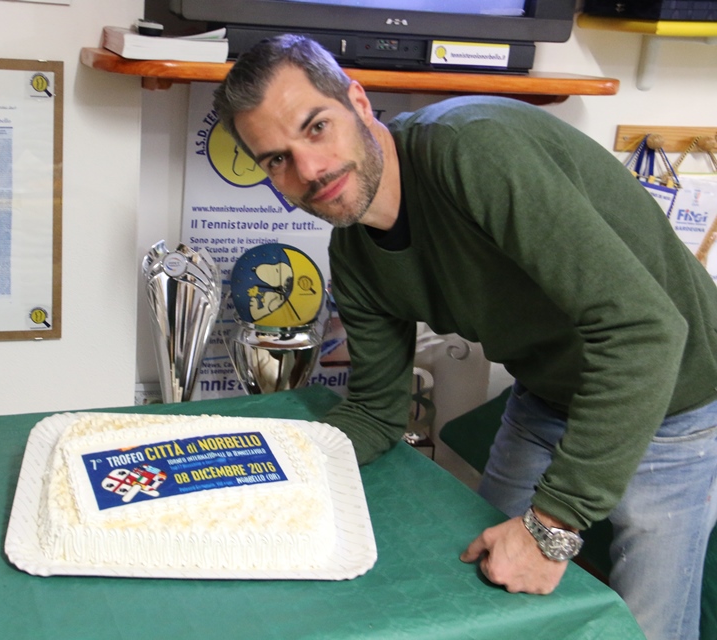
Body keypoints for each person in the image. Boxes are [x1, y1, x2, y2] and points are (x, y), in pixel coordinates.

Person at [213, 34, 717, 640]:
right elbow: (377, 411)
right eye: (276, 159)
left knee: (644, 628)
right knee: (478, 581)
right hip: (547, 393)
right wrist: (263, 466)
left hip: (675, 396)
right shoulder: (352, 256)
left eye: (316, 127)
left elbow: (645, 332)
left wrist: (551, 526)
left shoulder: (471, 148)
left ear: (358, 101)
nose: (309, 170)